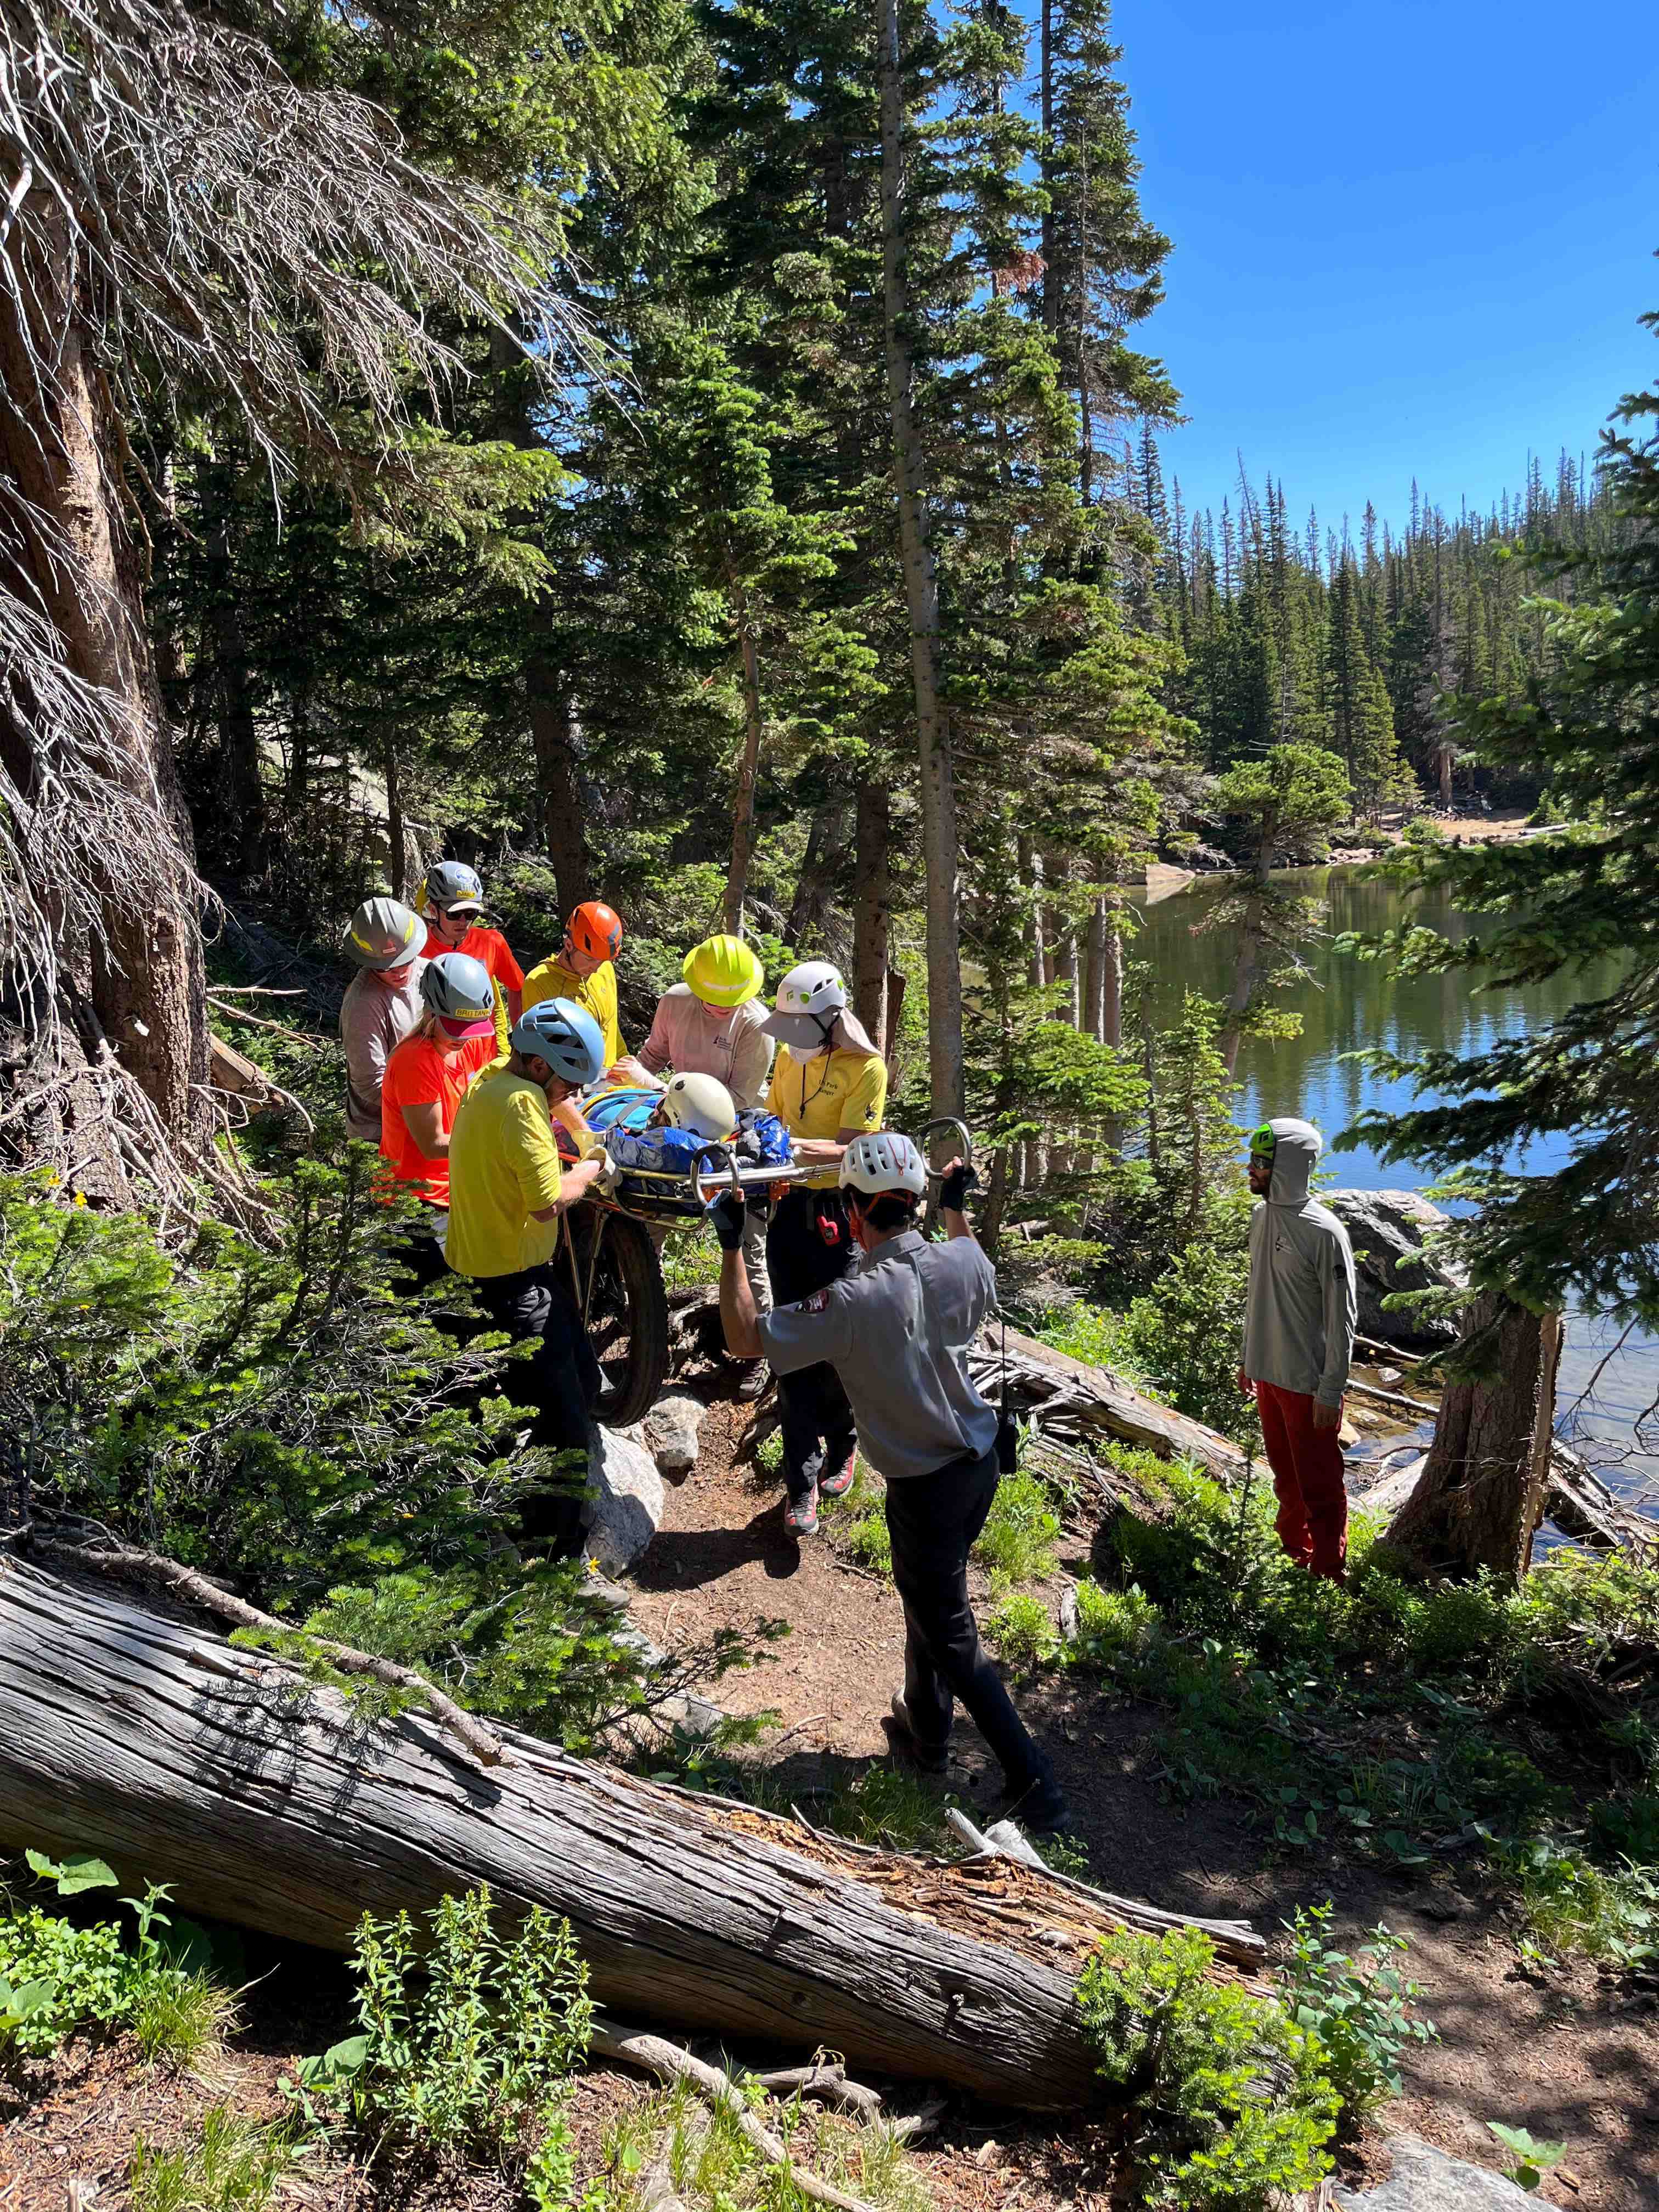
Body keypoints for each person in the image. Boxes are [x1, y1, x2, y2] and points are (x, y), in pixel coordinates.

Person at [712, 1132, 1072, 1836]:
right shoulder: (963, 1261)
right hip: (978, 1467)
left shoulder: (849, 1302)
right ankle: (929, 1736)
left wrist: (733, 1243)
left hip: (925, 1486)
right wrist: (957, 1206)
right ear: (915, 1204)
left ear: (852, 1214)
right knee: (930, 1598)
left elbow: (745, 1337)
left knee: (951, 1632)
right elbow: (970, 1250)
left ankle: (1037, 1783)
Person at [445, 997, 613, 1551]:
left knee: (585, 1381)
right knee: (564, 1427)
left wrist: (578, 1131)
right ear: (541, 1067)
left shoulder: (493, 1076)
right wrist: (591, 1170)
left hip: (499, 1271)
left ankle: (528, 1511)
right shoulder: (520, 1103)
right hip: (514, 1285)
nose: (570, 1097)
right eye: (568, 1084)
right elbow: (546, 1202)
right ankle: (555, 1549)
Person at [754, 961, 887, 1534]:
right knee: (792, 1348)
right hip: (791, 1214)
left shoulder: (867, 1068)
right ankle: (800, 1486)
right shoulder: (789, 1056)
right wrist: (765, 1144)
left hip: (841, 1217)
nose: (793, 1045)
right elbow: (776, 1117)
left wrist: (788, 1145)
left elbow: (854, 1147)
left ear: (831, 1020)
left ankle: (844, 1446)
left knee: (839, 1347)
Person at [640, 934, 775, 1396]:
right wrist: (630, 1084)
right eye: (711, 999)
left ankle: (759, 1353)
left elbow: (739, 1100)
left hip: (733, 1137)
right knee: (648, 1219)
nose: (719, 1008)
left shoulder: (756, 1025)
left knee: (746, 1241)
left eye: (728, 1001)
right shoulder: (676, 1003)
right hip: (671, 1122)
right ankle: (644, 1311)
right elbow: (653, 1056)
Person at [1235, 1118, 1358, 1582]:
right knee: (1286, 1480)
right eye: (1252, 1161)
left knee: (1321, 1488)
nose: (1251, 1170)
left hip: (1308, 1384)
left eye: (1260, 1164)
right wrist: (1251, 1357)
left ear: (1287, 1167)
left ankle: (1328, 1573)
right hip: (1269, 1375)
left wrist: (1332, 1390)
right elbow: (1258, 1292)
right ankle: (1294, 1556)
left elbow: (1342, 1318)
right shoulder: (1262, 1216)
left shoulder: (1325, 1233)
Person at [378, 951, 500, 1284]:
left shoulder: (471, 1043)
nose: (463, 1037)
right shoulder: (414, 1061)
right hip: (416, 1200)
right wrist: (498, 1145)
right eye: (455, 1027)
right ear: (431, 1011)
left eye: (471, 1028)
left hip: (458, 1189)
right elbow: (433, 1145)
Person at [521, 900, 653, 1087]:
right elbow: (539, 1052)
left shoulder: (604, 969)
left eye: (602, 960)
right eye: (589, 959)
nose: (595, 967)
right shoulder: (539, 983)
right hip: (571, 1089)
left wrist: (626, 1063)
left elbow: (611, 1028)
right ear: (569, 945)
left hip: (611, 1082)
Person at [340, 895, 426, 1145]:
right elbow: (370, 1083)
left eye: (404, 961)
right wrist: (427, 1101)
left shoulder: (430, 973)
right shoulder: (362, 1003)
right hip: (381, 1134)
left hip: (429, 1117)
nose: (398, 971)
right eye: (385, 967)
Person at [419, 860, 526, 1029]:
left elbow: (518, 987)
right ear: (433, 911)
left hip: (484, 1052)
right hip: (437, 1051)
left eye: (470, 913)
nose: (463, 921)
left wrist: (520, 1042)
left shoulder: (492, 942)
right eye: (454, 914)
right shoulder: (417, 949)